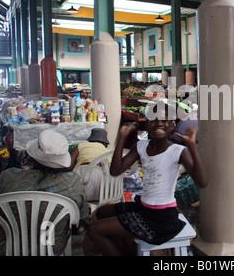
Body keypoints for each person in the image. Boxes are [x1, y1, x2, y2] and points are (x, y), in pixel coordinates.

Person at [88, 102, 208, 256]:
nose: (158, 123)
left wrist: (191, 145)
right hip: (145, 208)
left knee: (95, 230)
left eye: (164, 120)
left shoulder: (178, 151)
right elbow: (115, 171)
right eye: (153, 119)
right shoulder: (141, 146)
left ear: (172, 126)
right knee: (102, 212)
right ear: (146, 125)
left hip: (162, 218)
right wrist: (122, 138)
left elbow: (202, 181)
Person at [0, 129, 89, 256]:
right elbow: (79, 221)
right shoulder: (73, 183)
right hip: (51, 247)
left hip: (4, 247)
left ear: (33, 156)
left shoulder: (8, 177)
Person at [69, 128, 112, 201]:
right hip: (102, 189)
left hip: (83, 175)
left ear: (90, 140)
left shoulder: (81, 146)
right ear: (106, 144)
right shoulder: (109, 152)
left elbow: (69, 165)